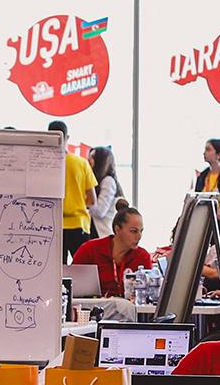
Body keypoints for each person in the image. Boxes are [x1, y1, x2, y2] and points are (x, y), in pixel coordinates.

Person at [72, 203, 154, 299]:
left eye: (141, 231)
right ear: (117, 229)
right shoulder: (90, 250)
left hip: (130, 307)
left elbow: (148, 294)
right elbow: (72, 285)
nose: (139, 236)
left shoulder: (142, 257)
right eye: (133, 231)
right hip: (94, 306)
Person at [51, 119, 98, 260]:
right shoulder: (81, 163)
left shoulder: (44, 165)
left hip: (53, 225)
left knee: (57, 269)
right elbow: (92, 200)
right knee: (81, 268)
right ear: (67, 137)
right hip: (78, 224)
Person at [90, 146, 124, 239]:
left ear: (101, 161)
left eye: (92, 157)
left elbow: (100, 212)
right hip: (95, 232)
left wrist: (89, 198)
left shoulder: (108, 181)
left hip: (101, 233)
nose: (89, 160)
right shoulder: (98, 180)